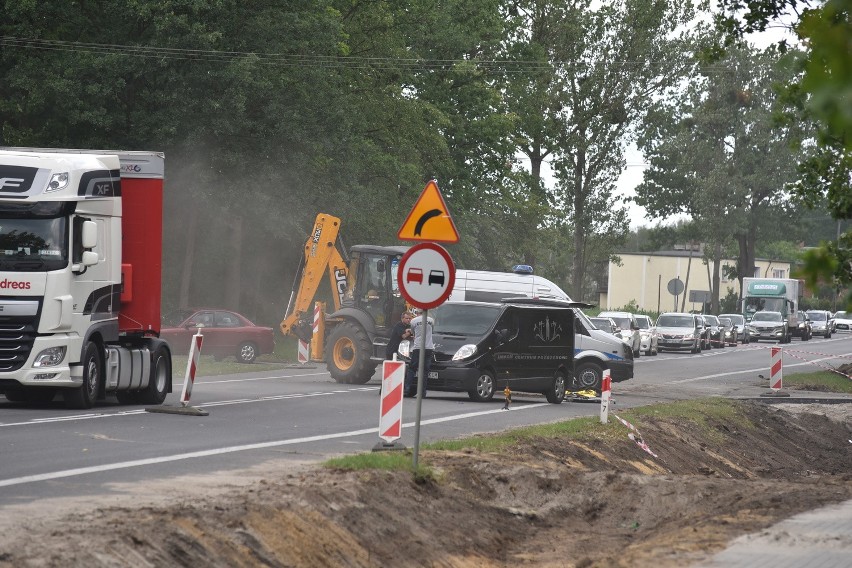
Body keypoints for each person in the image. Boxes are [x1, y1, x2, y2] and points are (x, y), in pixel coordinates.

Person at [404, 310, 434, 398]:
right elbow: (431, 331)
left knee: (412, 369)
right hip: (428, 347)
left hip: (418, 347)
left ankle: (407, 389)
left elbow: (413, 332)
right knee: (425, 371)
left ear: (417, 313)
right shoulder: (431, 320)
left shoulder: (414, 321)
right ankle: (423, 392)